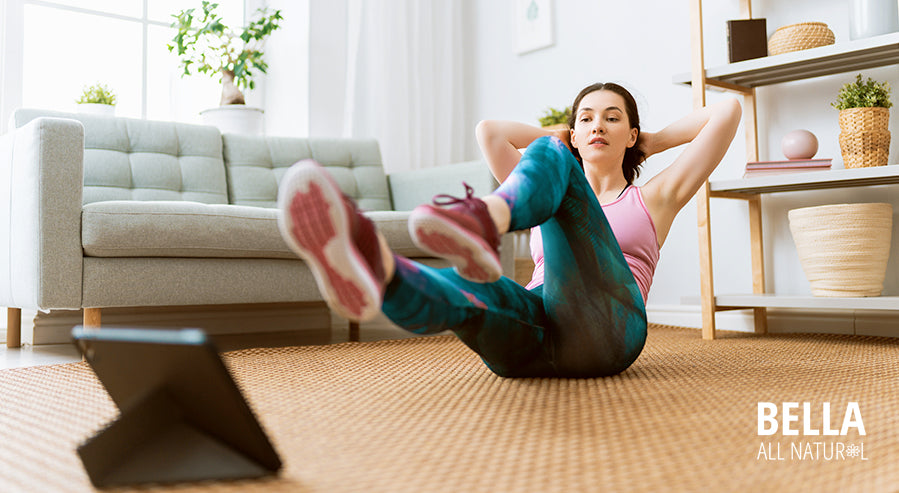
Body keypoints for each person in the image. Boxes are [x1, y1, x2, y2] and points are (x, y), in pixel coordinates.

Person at [277, 82, 741, 378]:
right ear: (574, 135)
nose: (597, 124)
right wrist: (567, 136)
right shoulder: (554, 168)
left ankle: (482, 221)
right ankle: (379, 271)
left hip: (609, 331)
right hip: (535, 331)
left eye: (612, 117)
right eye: (586, 118)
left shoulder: (656, 196)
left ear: (631, 134)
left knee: (552, 164)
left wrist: (652, 140)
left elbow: (727, 111)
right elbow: (490, 132)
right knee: (474, 297)